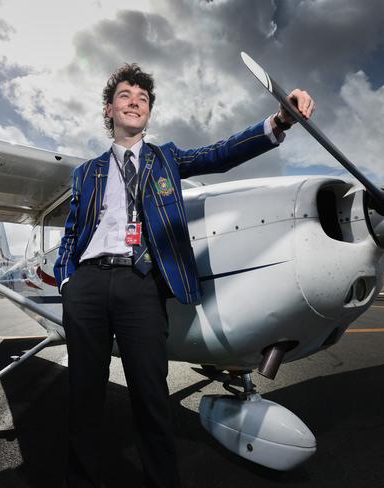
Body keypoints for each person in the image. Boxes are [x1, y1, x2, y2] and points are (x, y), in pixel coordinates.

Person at [54, 63, 314, 488]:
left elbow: (220, 154)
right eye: (125, 95)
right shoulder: (86, 173)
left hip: (142, 286)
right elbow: (71, 234)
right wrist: (67, 280)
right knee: (83, 398)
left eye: (143, 97)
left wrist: (279, 120)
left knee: (151, 399)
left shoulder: (166, 158)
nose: (135, 100)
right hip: (87, 284)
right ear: (110, 109)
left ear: (149, 112)